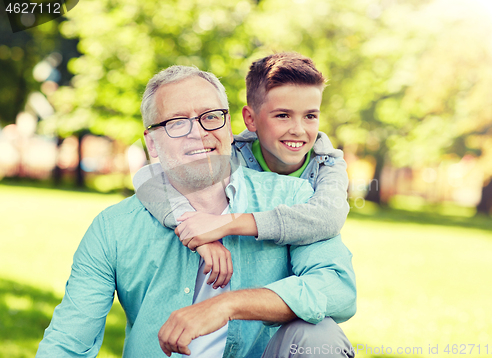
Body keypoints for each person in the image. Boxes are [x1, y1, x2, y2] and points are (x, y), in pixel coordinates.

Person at [36, 65, 356, 358]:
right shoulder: (114, 227)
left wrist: (228, 305)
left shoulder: (293, 196)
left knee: (317, 335)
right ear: (152, 143)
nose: (199, 132)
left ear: (229, 125)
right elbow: (68, 342)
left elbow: (337, 288)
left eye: (211, 116)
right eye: (177, 122)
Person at [135, 53, 350, 284]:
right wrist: (195, 231)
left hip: (299, 274)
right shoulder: (233, 153)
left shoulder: (327, 164)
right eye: (283, 115)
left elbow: (329, 217)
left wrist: (227, 223)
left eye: (310, 116)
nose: (298, 129)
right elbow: (148, 177)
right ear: (250, 119)